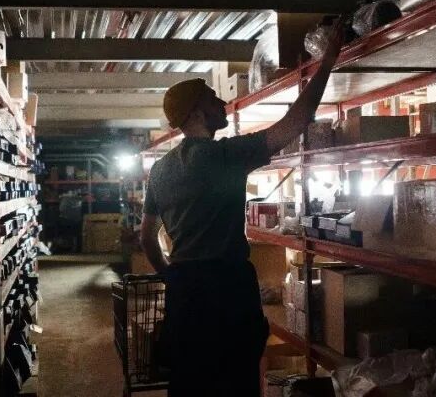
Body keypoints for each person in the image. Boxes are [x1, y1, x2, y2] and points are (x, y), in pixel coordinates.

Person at [139, 27, 343, 396]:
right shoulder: (225, 155)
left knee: (190, 384)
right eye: (212, 98)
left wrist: (172, 276)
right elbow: (294, 124)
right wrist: (327, 61)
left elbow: (147, 238)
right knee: (236, 382)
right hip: (226, 289)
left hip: (185, 292)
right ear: (196, 112)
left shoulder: (160, 170)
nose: (222, 102)